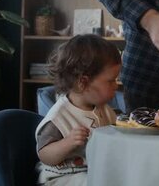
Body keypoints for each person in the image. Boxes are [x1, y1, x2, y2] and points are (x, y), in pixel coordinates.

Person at [35, 35, 121, 185]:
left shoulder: (105, 110)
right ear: (83, 83)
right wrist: (67, 143)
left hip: (94, 173)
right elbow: (44, 154)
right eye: (111, 80)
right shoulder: (59, 116)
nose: (116, 85)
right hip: (62, 178)